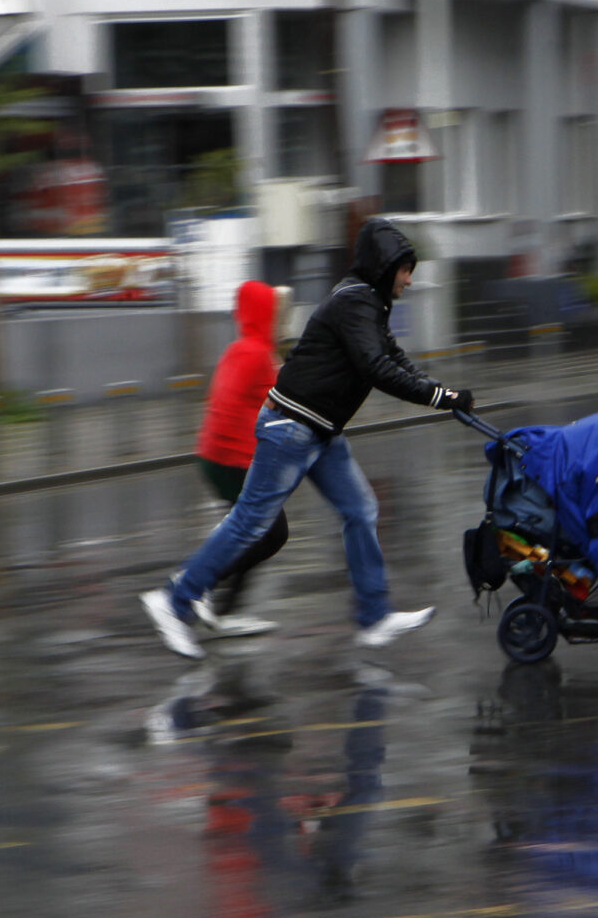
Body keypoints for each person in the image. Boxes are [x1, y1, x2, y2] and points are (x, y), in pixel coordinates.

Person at [142, 218, 471, 659]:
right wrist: (438, 397)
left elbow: (394, 358)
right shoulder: (356, 303)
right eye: (405, 269)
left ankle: (374, 618)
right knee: (251, 523)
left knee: (360, 508)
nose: (410, 279)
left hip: (318, 430)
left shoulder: (368, 304)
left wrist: (446, 395)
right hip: (290, 428)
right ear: (384, 266)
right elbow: (377, 367)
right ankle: (173, 600)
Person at [189, 279, 290, 639]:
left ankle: (222, 607)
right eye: (274, 313)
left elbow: (228, 403)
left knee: (250, 533)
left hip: (213, 459)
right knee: (272, 532)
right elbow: (279, 403)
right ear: (265, 315)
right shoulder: (259, 355)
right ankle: (202, 587)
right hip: (234, 462)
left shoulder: (238, 349)